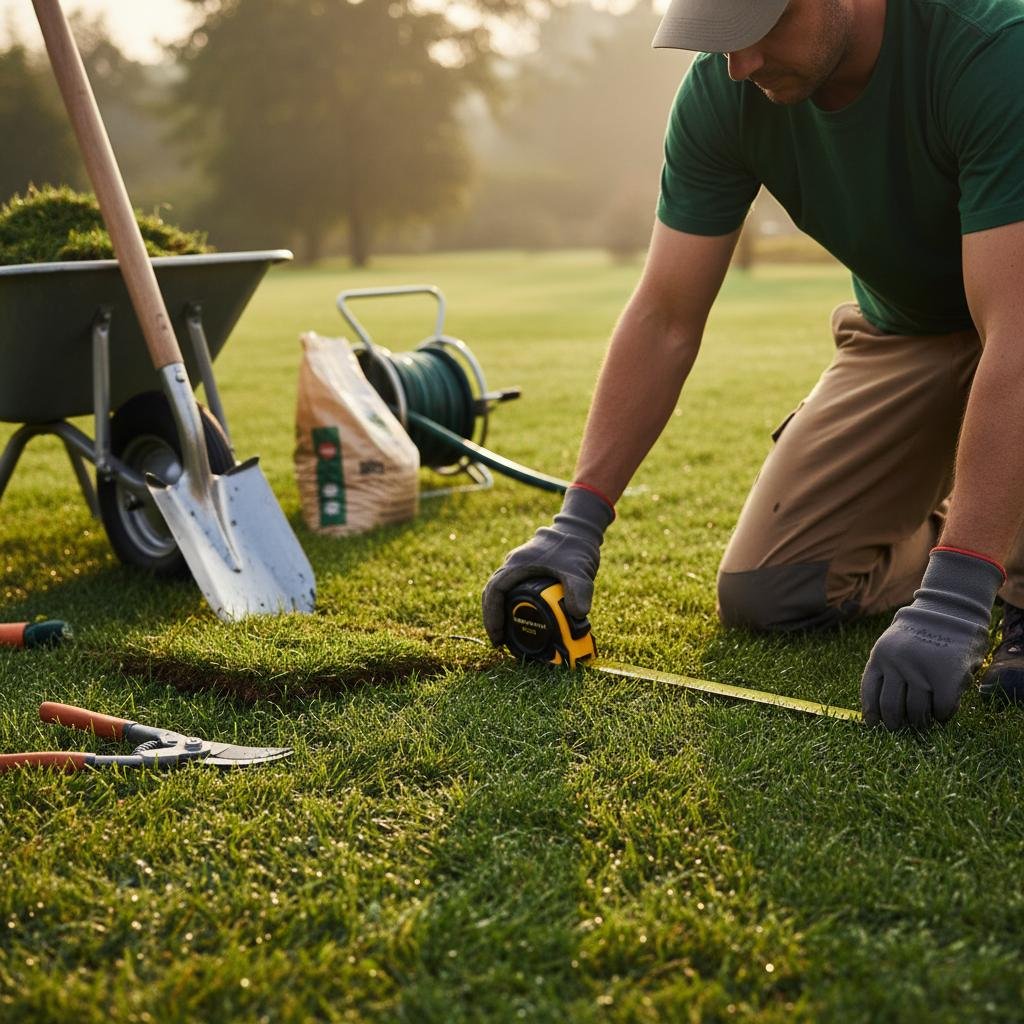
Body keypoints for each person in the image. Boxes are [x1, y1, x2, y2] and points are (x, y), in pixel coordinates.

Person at [482, 0, 1024, 731]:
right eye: (718, 40)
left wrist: (957, 595)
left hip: (1018, 316)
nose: (740, 65)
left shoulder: (993, 48)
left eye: (757, 29)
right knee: (773, 589)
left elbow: (1016, 335)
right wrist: (577, 522)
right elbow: (665, 317)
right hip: (908, 331)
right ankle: (960, 527)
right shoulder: (724, 90)